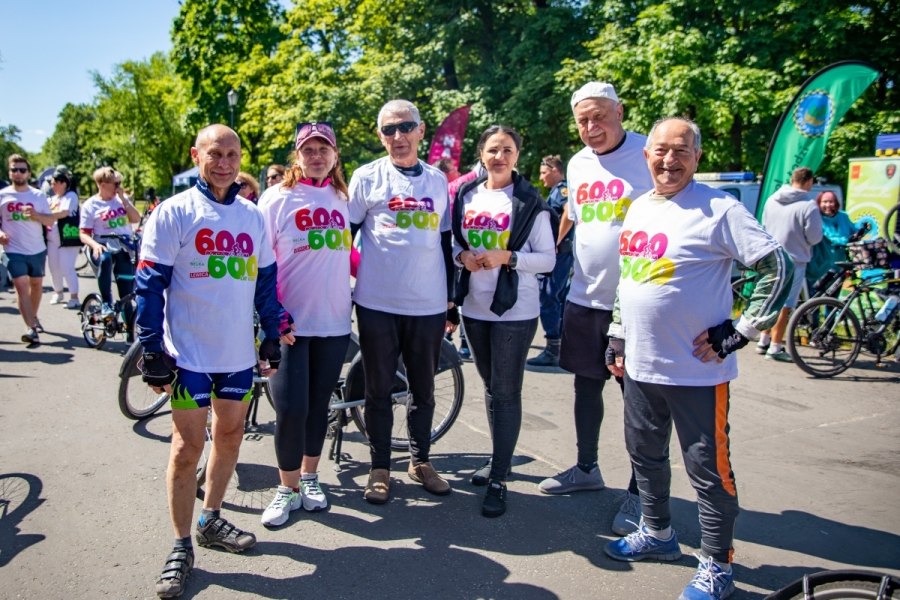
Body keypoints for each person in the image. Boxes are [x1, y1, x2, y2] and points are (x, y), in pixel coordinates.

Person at [604, 117, 793, 600]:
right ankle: (657, 532)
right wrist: (618, 337)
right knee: (645, 456)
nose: (669, 160)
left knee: (709, 472)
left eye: (681, 151)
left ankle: (717, 564)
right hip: (641, 366)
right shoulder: (639, 207)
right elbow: (630, 277)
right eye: (661, 150)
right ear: (647, 155)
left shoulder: (719, 208)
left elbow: (778, 266)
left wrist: (742, 330)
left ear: (697, 157)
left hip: (698, 371)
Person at [135, 124, 286, 599]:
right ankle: (181, 545)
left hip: (236, 354)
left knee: (231, 435)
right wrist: (151, 348)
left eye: (232, 155)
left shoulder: (251, 215)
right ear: (195, 155)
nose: (224, 163)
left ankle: (211, 519)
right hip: (190, 356)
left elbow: (265, 282)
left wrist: (271, 334)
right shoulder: (174, 211)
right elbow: (149, 284)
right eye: (215, 154)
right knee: (186, 449)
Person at [536, 82, 649, 539]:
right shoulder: (579, 163)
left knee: (639, 403)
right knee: (586, 386)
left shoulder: (649, 153)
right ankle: (587, 469)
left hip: (635, 303)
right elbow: (575, 213)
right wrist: (553, 244)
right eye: (583, 120)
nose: (591, 126)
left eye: (599, 116)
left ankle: (643, 494)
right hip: (585, 297)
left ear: (619, 111)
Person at [348, 99, 458, 504]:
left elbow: (445, 244)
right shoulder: (366, 177)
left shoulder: (437, 181)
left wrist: (450, 302)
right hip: (376, 302)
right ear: (381, 136)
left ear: (421, 130)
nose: (398, 136)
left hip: (427, 305)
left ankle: (420, 461)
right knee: (378, 389)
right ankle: (379, 467)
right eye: (389, 129)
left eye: (406, 127)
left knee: (423, 389)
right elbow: (344, 238)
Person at [452, 125, 556, 517]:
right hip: (474, 307)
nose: (499, 157)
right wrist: (462, 257)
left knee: (506, 391)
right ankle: (501, 459)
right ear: (481, 153)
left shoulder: (529, 200)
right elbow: (454, 242)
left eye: (507, 150)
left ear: (517, 155)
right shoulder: (466, 194)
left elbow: (547, 259)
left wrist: (507, 257)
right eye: (493, 149)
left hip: (515, 310)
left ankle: (498, 479)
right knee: (490, 387)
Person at [257, 122, 352, 527]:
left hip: (334, 323)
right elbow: (260, 264)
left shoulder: (343, 198)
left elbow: (351, 254)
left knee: (317, 408)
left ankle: (310, 479)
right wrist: (273, 316)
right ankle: (287, 487)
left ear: (334, 156)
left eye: (323, 149)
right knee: (290, 409)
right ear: (296, 156)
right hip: (290, 326)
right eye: (308, 149)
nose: (316, 156)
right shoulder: (276, 198)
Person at [755, 167, 822, 361]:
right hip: (795, 259)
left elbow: (764, 226)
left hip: (771, 256)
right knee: (785, 304)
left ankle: (764, 340)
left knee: (771, 299)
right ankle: (775, 347)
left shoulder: (772, 199)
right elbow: (815, 236)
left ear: (792, 179)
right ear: (809, 181)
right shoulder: (808, 205)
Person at [0, 154, 56, 344]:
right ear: (9, 173)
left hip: (36, 248)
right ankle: (31, 328)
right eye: (14, 169)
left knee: (36, 285)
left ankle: (33, 316)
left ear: (28, 173)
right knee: (21, 284)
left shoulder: (37, 195)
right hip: (12, 249)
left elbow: (50, 221)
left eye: (22, 170)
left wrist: (36, 215)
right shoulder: (2, 195)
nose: (18, 173)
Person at [79, 167, 141, 326]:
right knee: (105, 259)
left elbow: (135, 219)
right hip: (101, 244)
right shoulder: (90, 205)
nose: (119, 187)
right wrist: (94, 245)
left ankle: (130, 332)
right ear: (102, 184)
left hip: (122, 246)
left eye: (120, 183)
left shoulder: (121, 200)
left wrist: (124, 200)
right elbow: (83, 234)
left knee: (127, 292)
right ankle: (106, 303)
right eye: (115, 184)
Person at [527, 154, 572, 367]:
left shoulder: (562, 190)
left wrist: (556, 240)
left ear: (555, 171)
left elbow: (569, 212)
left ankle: (553, 349)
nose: (541, 177)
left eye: (544, 173)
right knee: (556, 298)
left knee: (548, 297)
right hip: (561, 255)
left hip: (559, 255)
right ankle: (560, 347)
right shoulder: (556, 191)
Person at [46, 167, 82, 309]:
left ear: (63, 183)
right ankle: (58, 293)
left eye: (54, 183)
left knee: (66, 267)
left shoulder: (71, 196)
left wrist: (44, 215)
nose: (52, 186)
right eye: (51, 184)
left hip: (68, 238)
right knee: (54, 268)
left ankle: (74, 297)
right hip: (52, 238)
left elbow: (64, 212)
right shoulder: (52, 199)